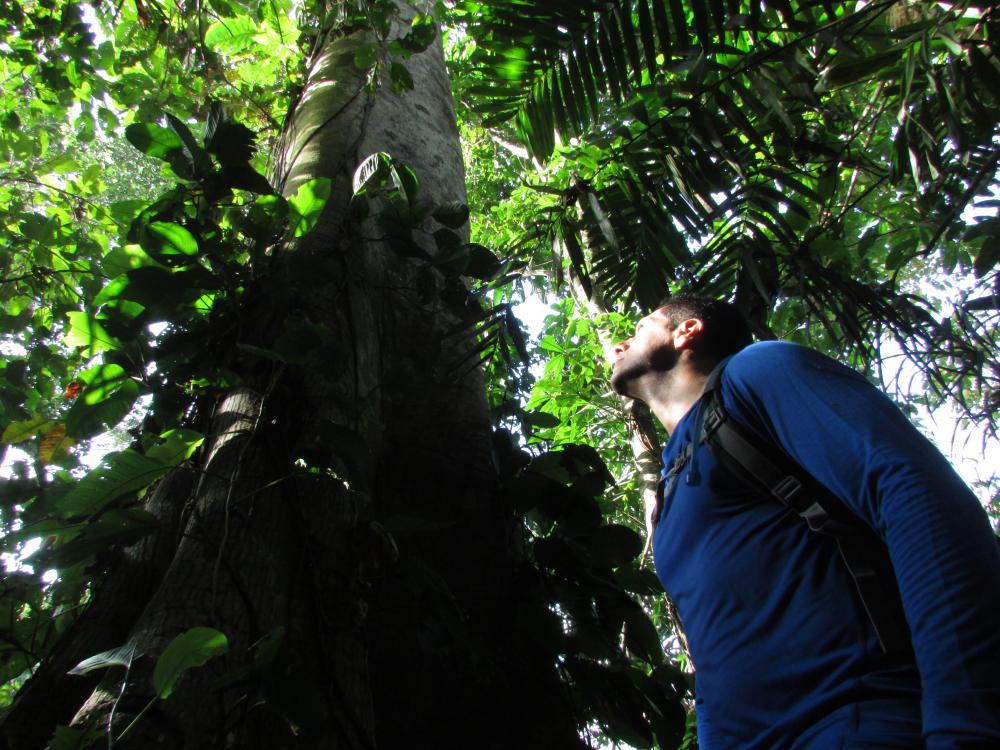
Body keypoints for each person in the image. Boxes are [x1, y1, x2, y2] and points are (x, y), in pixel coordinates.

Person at [609, 295, 1000, 750]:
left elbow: (911, 492)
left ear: (687, 331)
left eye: (638, 328)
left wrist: (966, 719)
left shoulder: (757, 373)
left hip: (862, 721)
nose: (620, 343)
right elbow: (713, 659)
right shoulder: (670, 493)